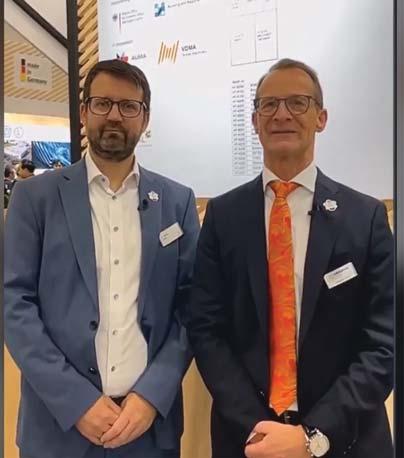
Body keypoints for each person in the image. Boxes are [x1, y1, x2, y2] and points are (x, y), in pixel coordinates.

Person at [187, 59, 393, 458]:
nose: (282, 114)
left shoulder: (365, 218)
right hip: (248, 439)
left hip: (346, 439)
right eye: (269, 104)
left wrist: (311, 435)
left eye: (298, 102)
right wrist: (259, 429)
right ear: (254, 121)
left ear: (321, 118)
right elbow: (207, 330)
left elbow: (384, 343)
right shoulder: (223, 216)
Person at [5, 59, 200, 458]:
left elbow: (192, 307)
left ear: (145, 118)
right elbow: (14, 305)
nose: (114, 115)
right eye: (103, 103)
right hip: (58, 430)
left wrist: (152, 395)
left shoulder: (177, 203)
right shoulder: (34, 198)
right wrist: (75, 401)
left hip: (148, 431)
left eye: (128, 106)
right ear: (84, 112)